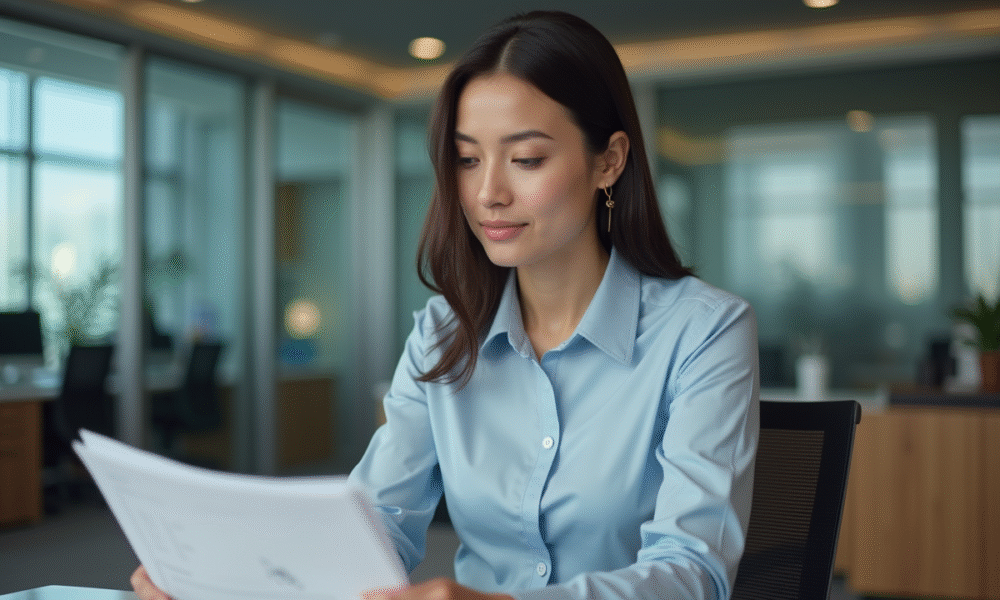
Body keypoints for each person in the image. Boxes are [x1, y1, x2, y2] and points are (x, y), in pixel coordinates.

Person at [131, 10, 758, 600]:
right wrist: (222, 576)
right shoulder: (442, 333)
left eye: (526, 159)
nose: (487, 193)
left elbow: (693, 572)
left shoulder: (704, 332)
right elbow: (373, 526)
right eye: (467, 159)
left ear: (609, 162)